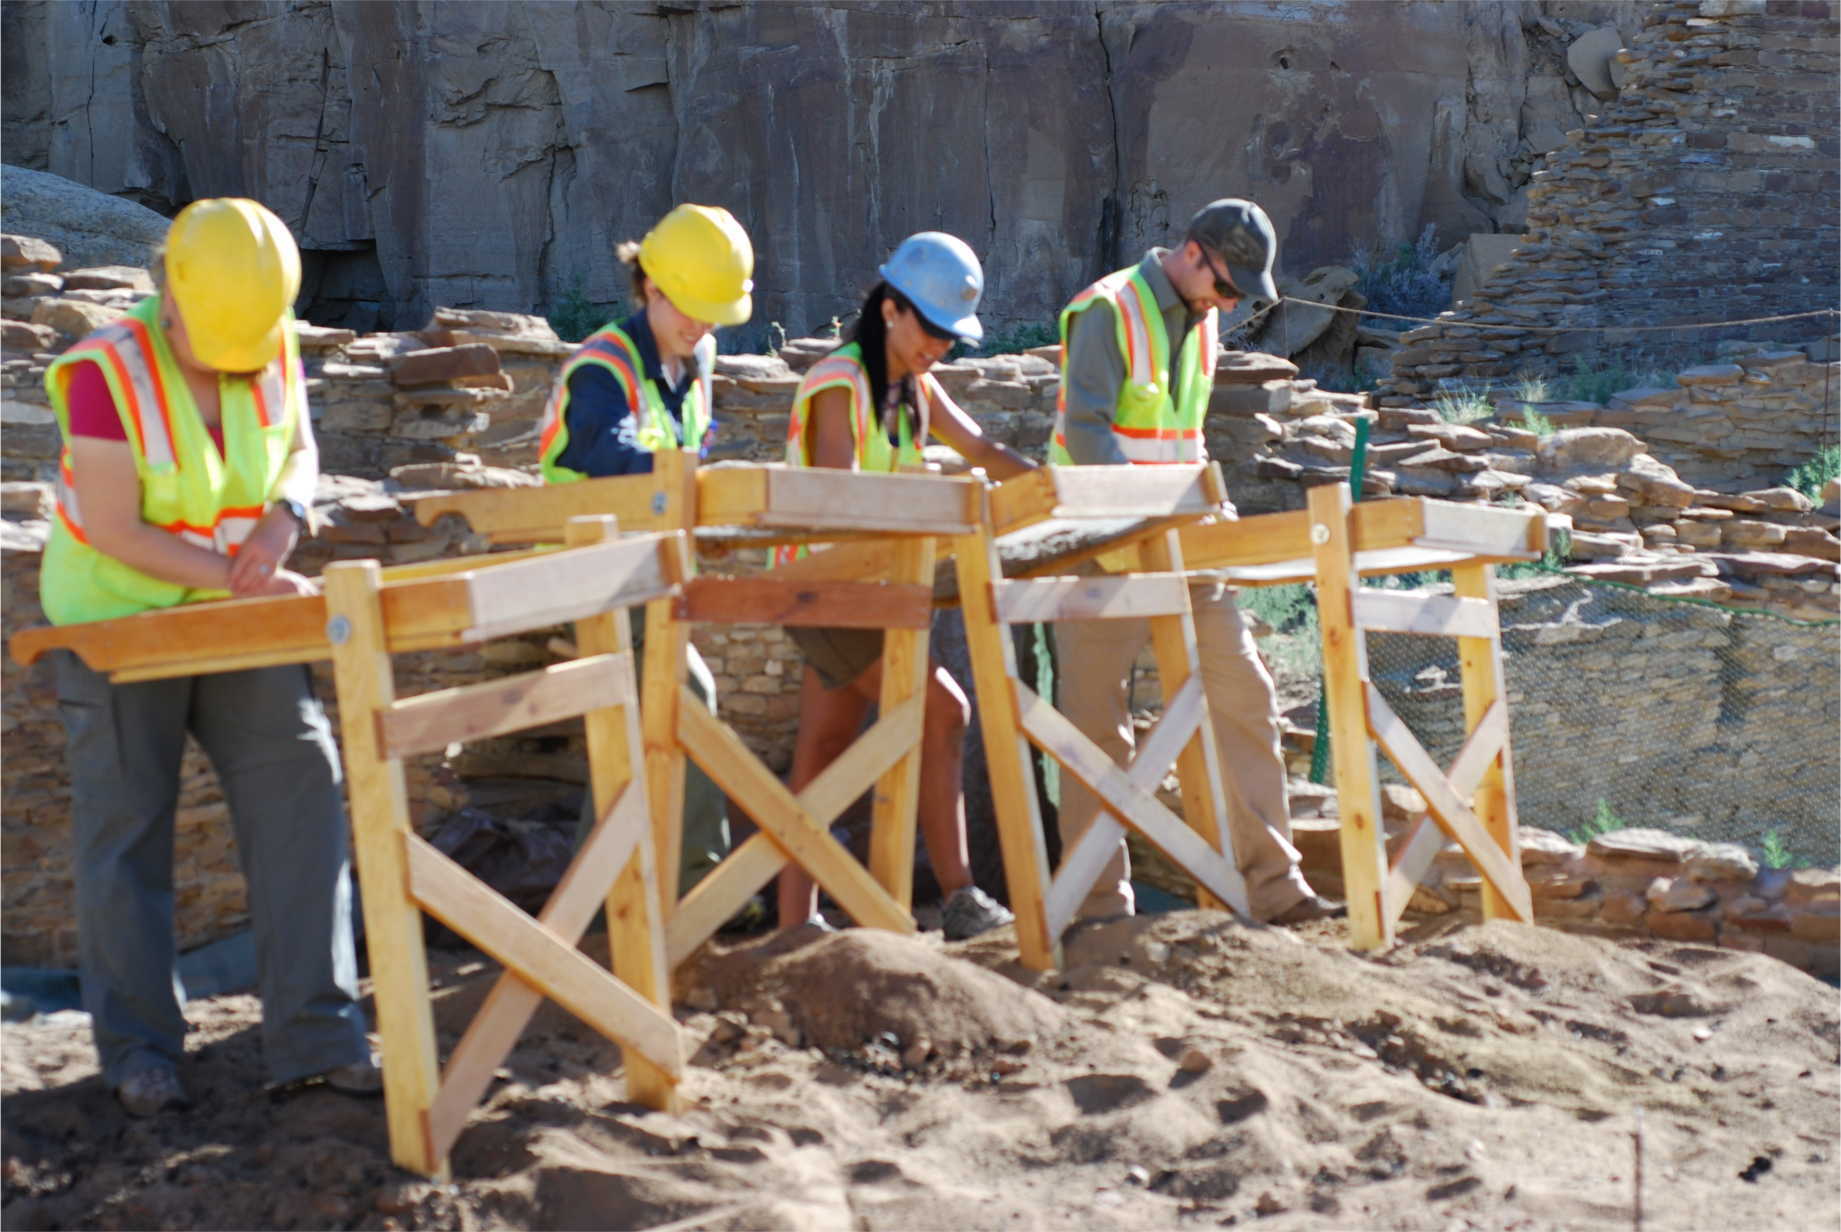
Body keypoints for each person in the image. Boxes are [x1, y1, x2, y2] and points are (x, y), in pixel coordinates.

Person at [40, 197, 377, 1117]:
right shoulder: (102, 370)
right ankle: (141, 1052)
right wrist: (245, 579)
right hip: (120, 625)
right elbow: (113, 526)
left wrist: (286, 518)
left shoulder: (264, 336)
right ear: (169, 294)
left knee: (304, 798)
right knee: (126, 840)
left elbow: (299, 449)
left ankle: (319, 1034)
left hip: (235, 619)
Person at [1049, 198, 1345, 927]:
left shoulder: (1203, 323)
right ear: (1192, 254)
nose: (1232, 300)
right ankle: (1095, 909)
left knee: (1243, 697)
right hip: (1096, 549)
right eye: (1227, 284)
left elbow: (1184, 437)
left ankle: (1275, 889)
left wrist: (1209, 511)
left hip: (1184, 547)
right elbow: (1086, 436)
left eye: (1240, 291)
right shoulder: (1107, 310)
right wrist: (1155, 517)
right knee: (1093, 728)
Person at [774, 232, 1035, 940]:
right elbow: (838, 496)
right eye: (933, 330)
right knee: (944, 711)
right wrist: (930, 496)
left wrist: (1049, 489)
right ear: (891, 309)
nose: (940, 348)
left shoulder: (916, 385)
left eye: (952, 337)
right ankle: (958, 897)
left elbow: (981, 448)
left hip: (874, 589)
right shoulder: (837, 381)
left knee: (823, 748)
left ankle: (795, 920)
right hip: (823, 585)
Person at [537, 203, 753, 897]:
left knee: (645, 723)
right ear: (651, 287)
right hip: (593, 571)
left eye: (715, 313)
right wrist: (692, 484)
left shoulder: (696, 354)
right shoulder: (601, 369)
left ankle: (622, 892)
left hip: (649, 568)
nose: (704, 326)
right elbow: (610, 455)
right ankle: (680, 888)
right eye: (691, 309)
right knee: (677, 698)